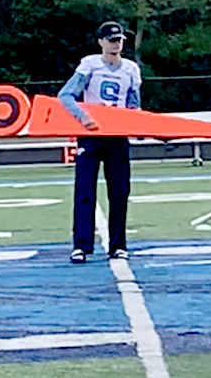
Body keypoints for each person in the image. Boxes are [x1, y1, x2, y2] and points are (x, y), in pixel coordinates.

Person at [57, 21, 142, 264]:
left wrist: (136, 125)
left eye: (120, 41)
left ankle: (118, 245)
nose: (117, 45)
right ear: (101, 42)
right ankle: (81, 245)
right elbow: (66, 95)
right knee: (85, 190)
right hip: (91, 136)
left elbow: (134, 104)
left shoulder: (131, 69)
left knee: (120, 191)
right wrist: (84, 118)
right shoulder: (90, 65)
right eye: (112, 40)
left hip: (117, 136)